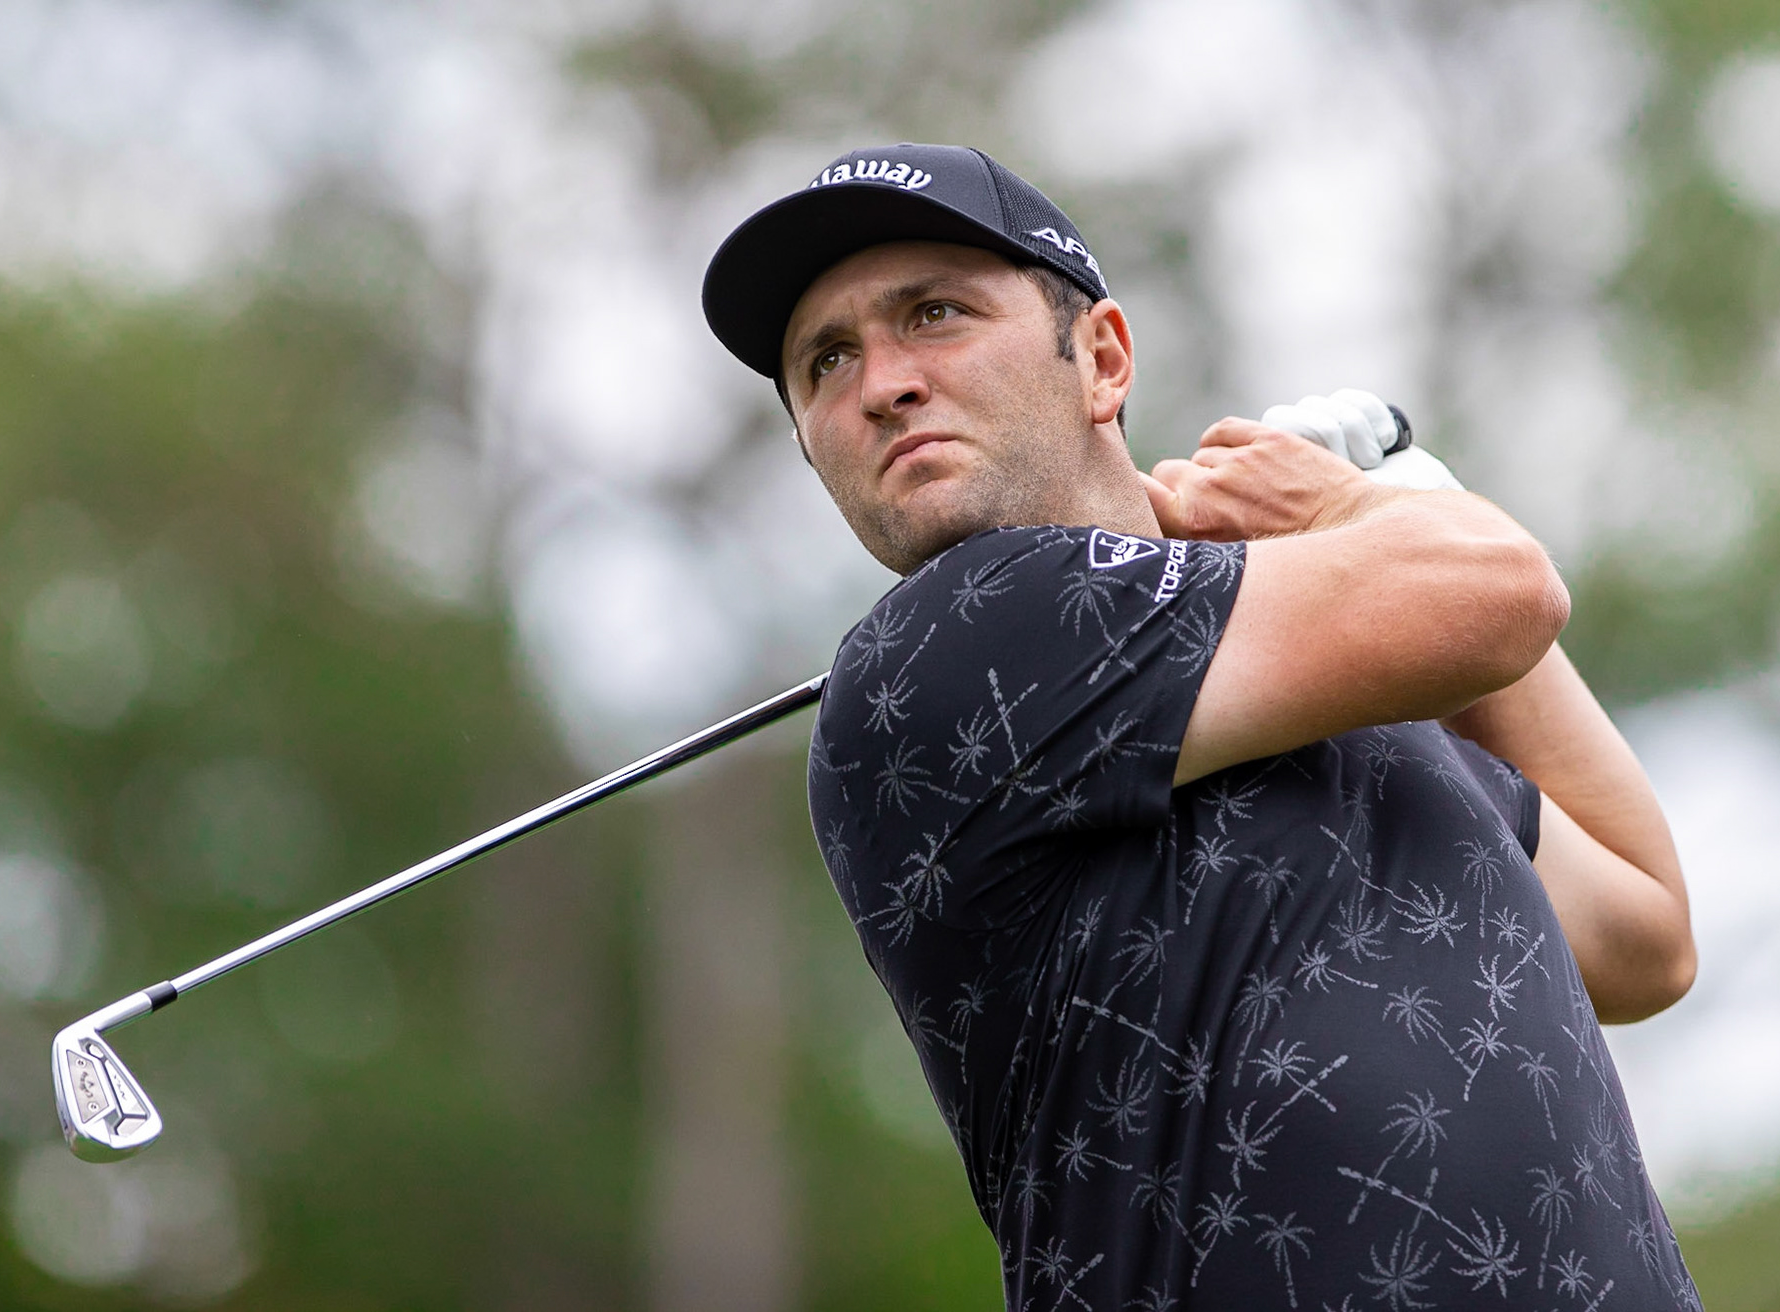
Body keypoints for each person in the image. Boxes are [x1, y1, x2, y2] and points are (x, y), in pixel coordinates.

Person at [702, 143, 1700, 1310]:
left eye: (934, 313)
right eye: (827, 361)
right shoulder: (949, 646)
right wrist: (1363, 511)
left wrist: (1404, 510)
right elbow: (1505, 593)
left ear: (1103, 357)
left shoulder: (1332, 693)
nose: (881, 382)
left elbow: (1645, 932)